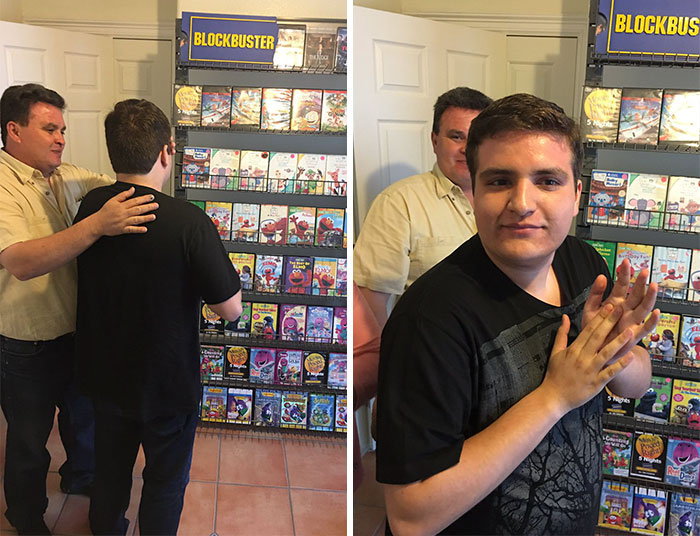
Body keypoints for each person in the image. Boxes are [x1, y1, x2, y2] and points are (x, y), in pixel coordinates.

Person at [375, 93, 660, 535]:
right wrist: (554, 397)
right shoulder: (429, 319)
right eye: (499, 181)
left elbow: (636, 385)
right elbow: (411, 517)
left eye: (547, 181)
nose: (522, 202)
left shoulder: (585, 264)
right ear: (473, 192)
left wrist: (617, 350)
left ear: (576, 194)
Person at [73, 99, 242, 535]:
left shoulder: (91, 208)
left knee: (109, 470)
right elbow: (230, 308)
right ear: (168, 150)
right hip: (167, 381)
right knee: (165, 479)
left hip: (105, 373)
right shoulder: (188, 221)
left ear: (112, 150)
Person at [0, 83, 159, 535]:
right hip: (25, 342)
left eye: (63, 130)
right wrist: (96, 225)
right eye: (49, 129)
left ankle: (81, 477)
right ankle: (26, 518)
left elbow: (126, 184)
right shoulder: (2, 185)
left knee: (82, 419)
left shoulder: (68, 175)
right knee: (29, 441)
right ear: (14, 130)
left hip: (76, 332)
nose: (60, 139)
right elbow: (20, 261)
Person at [353, 87, 492, 326]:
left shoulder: (512, 199)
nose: (467, 148)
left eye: (476, 139)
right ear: (435, 141)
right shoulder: (398, 203)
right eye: (456, 136)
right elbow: (370, 307)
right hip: (432, 345)